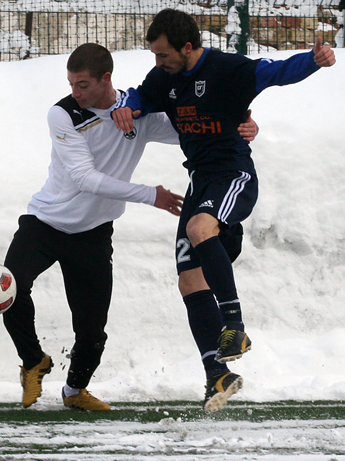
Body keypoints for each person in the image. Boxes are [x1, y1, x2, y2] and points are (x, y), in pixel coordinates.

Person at [3, 43, 259, 412]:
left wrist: (241, 125)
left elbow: (195, 127)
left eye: (83, 84)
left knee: (92, 332)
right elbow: (84, 177)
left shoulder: (136, 113)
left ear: (106, 78)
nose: (75, 92)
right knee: (10, 288)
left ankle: (74, 391)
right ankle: (33, 361)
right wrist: (149, 195)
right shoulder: (63, 114)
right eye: (72, 84)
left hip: (93, 234)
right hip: (44, 223)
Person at [112, 8, 336, 412]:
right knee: (189, 281)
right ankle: (218, 374)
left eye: (163, 55)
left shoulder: (227, 69)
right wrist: (126, 105)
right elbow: (140, 96)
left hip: (233, 175)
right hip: (200, 181)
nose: (157, 63)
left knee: (200, 228)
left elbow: (276, 72)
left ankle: (235, 326)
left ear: (186, 46)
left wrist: (313, 61)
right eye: (154, 57)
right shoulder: (165, 77)